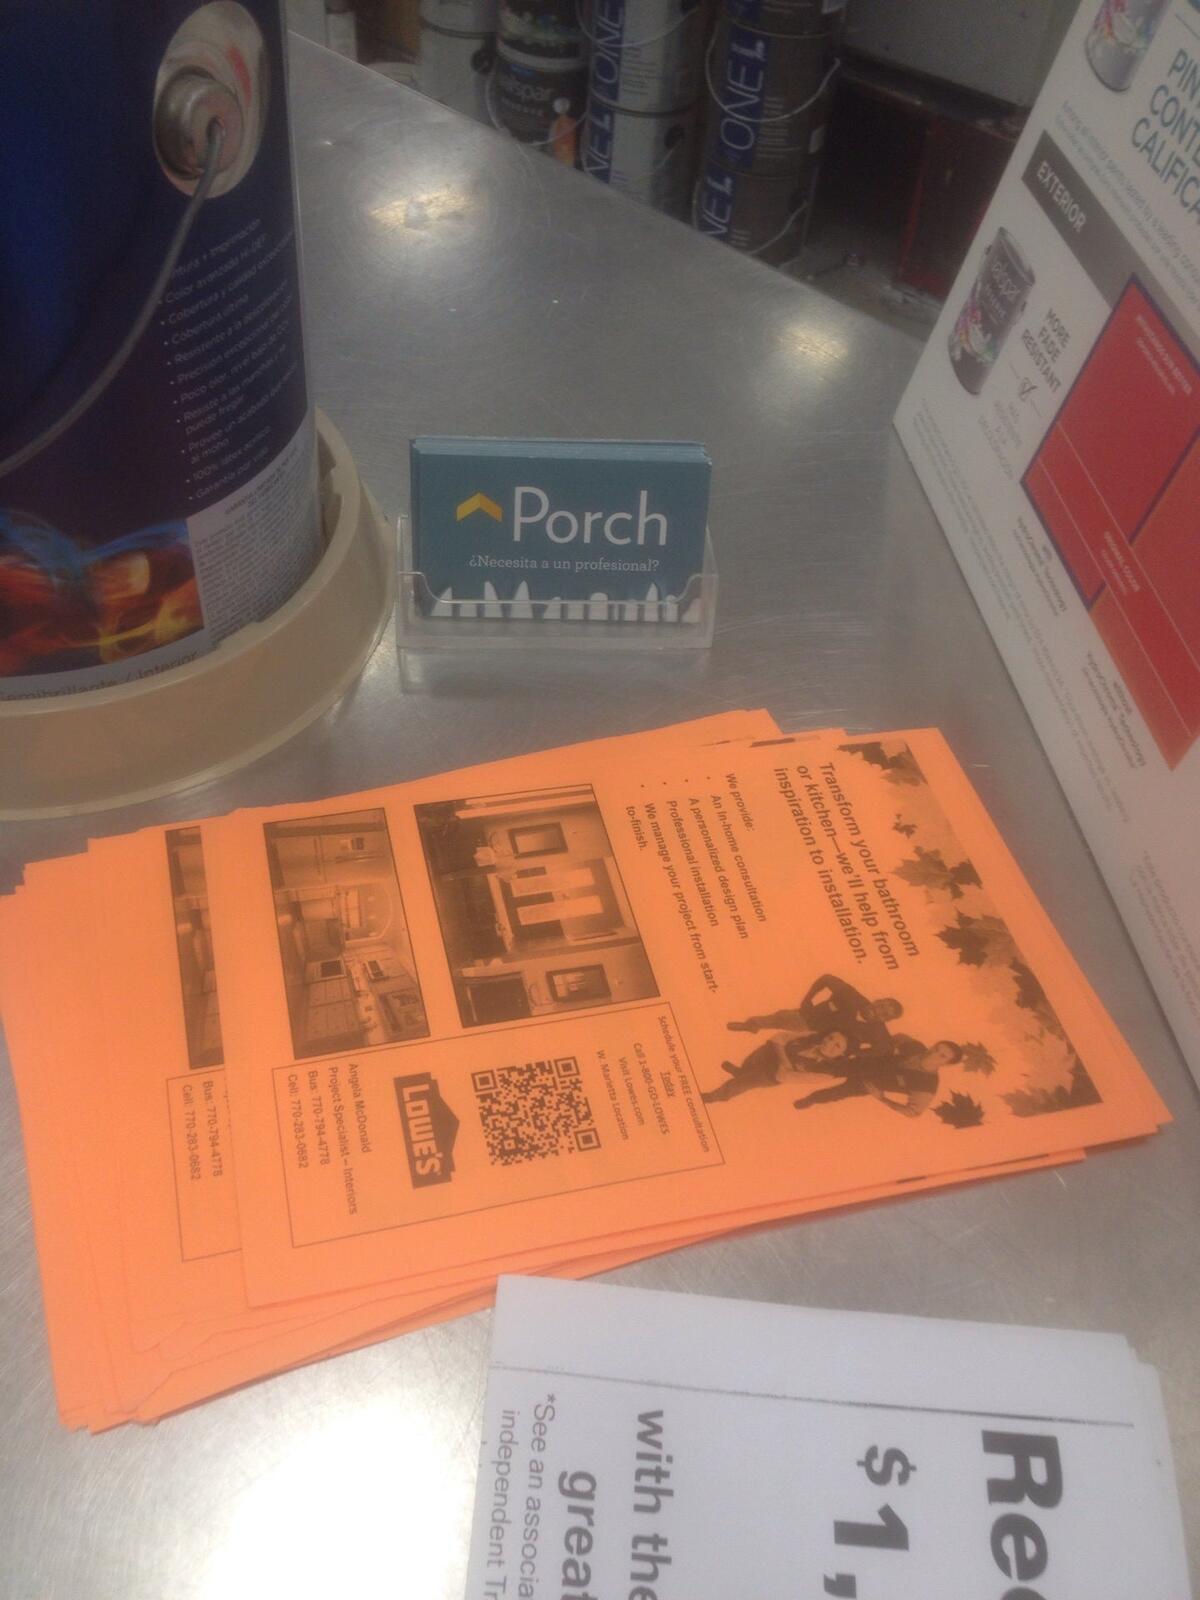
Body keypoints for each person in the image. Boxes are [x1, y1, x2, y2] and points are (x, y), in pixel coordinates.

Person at [728, 974, 903, 1063]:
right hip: (808, 1020)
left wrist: (853, 1053)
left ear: (887, 1020)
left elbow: (884, 1049)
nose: (878, 1011)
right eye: (881, 1005)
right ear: (878, 1000)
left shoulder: (878, 1032)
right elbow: (826, 978)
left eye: (884, 1014)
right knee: (778, 1018)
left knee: (782, 1053)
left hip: (821, 1043)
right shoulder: (852, 996)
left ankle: (750, 1067)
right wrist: (807, 999)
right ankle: (752, 1025)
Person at [792, 1039, 963, 1118]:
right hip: (868, 1064)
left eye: (942, 1056)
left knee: (834, 1093)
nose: (933, 1053)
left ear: (946, 1064)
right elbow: (896, 1038)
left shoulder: (927, 1084)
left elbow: (913, 1112)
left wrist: (882, 1098)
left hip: (869, 1084)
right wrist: (875, 1051)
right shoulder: (915, 1046)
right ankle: (799, 1066)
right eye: (936, 1048)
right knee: (829, 1069)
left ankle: (811, 1099)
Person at [702, 1028, 853, 1104]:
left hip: (770, 1074)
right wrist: (784, 1059)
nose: (828, 1043)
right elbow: (778, 1037)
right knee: (748, 1064)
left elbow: (784, 1076)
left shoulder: (824, 1073)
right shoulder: (811, 1036)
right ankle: (740, 1072)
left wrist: (780, 1050)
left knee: (742, 1083)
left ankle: (715, 1096)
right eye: (830, 1037)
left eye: (837, 1045)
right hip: (765, 1054)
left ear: (842, 1055)